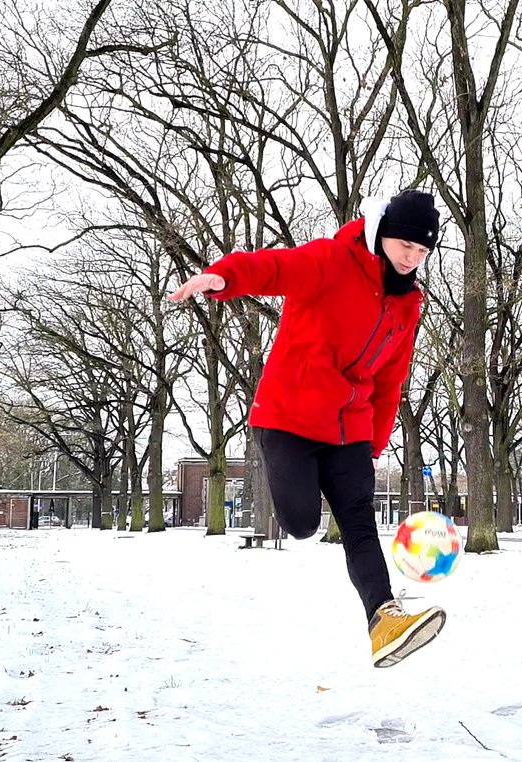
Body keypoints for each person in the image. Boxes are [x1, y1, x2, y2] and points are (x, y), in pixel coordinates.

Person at [167, 190, 445, 668]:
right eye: (406, 246)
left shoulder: (407, 304)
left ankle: (384, 619)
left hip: (349, 427)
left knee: (358, 518)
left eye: (422, 252)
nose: (411, 258)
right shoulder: (332, 259)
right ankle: (300, 484)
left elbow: (390, 378)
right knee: (301, 525)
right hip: (288, 416)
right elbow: (273, 268)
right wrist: (224, 276)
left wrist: (374, 442)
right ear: (383, 234)